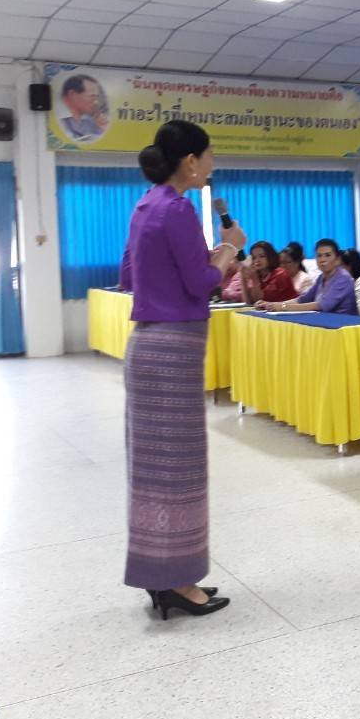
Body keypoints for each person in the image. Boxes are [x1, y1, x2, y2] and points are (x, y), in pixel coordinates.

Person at [118, 120, 244, 619]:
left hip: (148, 346)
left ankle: (171, 576)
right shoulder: (178, 209)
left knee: (156, 473)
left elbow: (131, 274)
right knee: (180, 472)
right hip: (175, 352)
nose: (211, 164)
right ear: (190, 161)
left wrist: (210, 259)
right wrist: (230, 251)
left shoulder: (146, 205)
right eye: (208, 155)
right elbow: (200, 282)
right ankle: (174, 583)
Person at [256, 239, 358, 315]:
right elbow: (302, 299)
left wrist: (282, 307)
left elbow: (321, 306)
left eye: (327, 255)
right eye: (319, 255)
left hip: (343, 327)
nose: (322, 259)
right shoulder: (321, 278)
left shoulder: (343, 278)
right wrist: (270, 304)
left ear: (337, 259)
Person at [238, 240, 296, 305]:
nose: (257, 260)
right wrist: (243, 278)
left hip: (289, 311)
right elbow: (249, 302)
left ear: (270, 256)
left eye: (262, 256)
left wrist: (254, 278)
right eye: (254, 257)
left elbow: (260, 301)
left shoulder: (280, 274)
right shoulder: (259, 275)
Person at [59, 73, 109, 143]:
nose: (96, 102)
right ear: (72, 95)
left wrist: (104, 127)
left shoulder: (93, 121)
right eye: (92, 96)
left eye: (96, 97)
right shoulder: (58, 121)